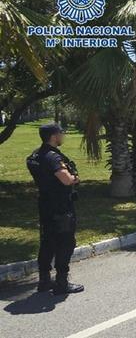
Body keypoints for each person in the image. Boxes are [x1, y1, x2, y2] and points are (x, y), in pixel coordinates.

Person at [27, 123, 84, 294]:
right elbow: (66, 179)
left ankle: (44, 280)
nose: (63, 135)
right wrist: (75, 177)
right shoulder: (53, 157)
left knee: (47, 242)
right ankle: (61, 282)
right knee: (65, 242)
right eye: (61, 133)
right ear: (53, 136)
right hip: (60, 206)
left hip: (45, 204)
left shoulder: (34, 156)